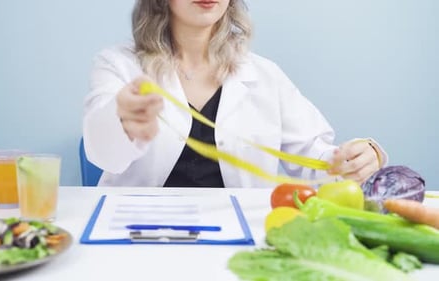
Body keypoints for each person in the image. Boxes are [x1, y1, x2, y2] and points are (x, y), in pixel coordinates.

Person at [83, 0, 386, 188]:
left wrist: (360, 158)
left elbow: (317, 159)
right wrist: (121, 120)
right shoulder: (119, 64)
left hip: (241, 237)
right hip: (137, 233)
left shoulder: (265, 76)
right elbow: (102, 154)